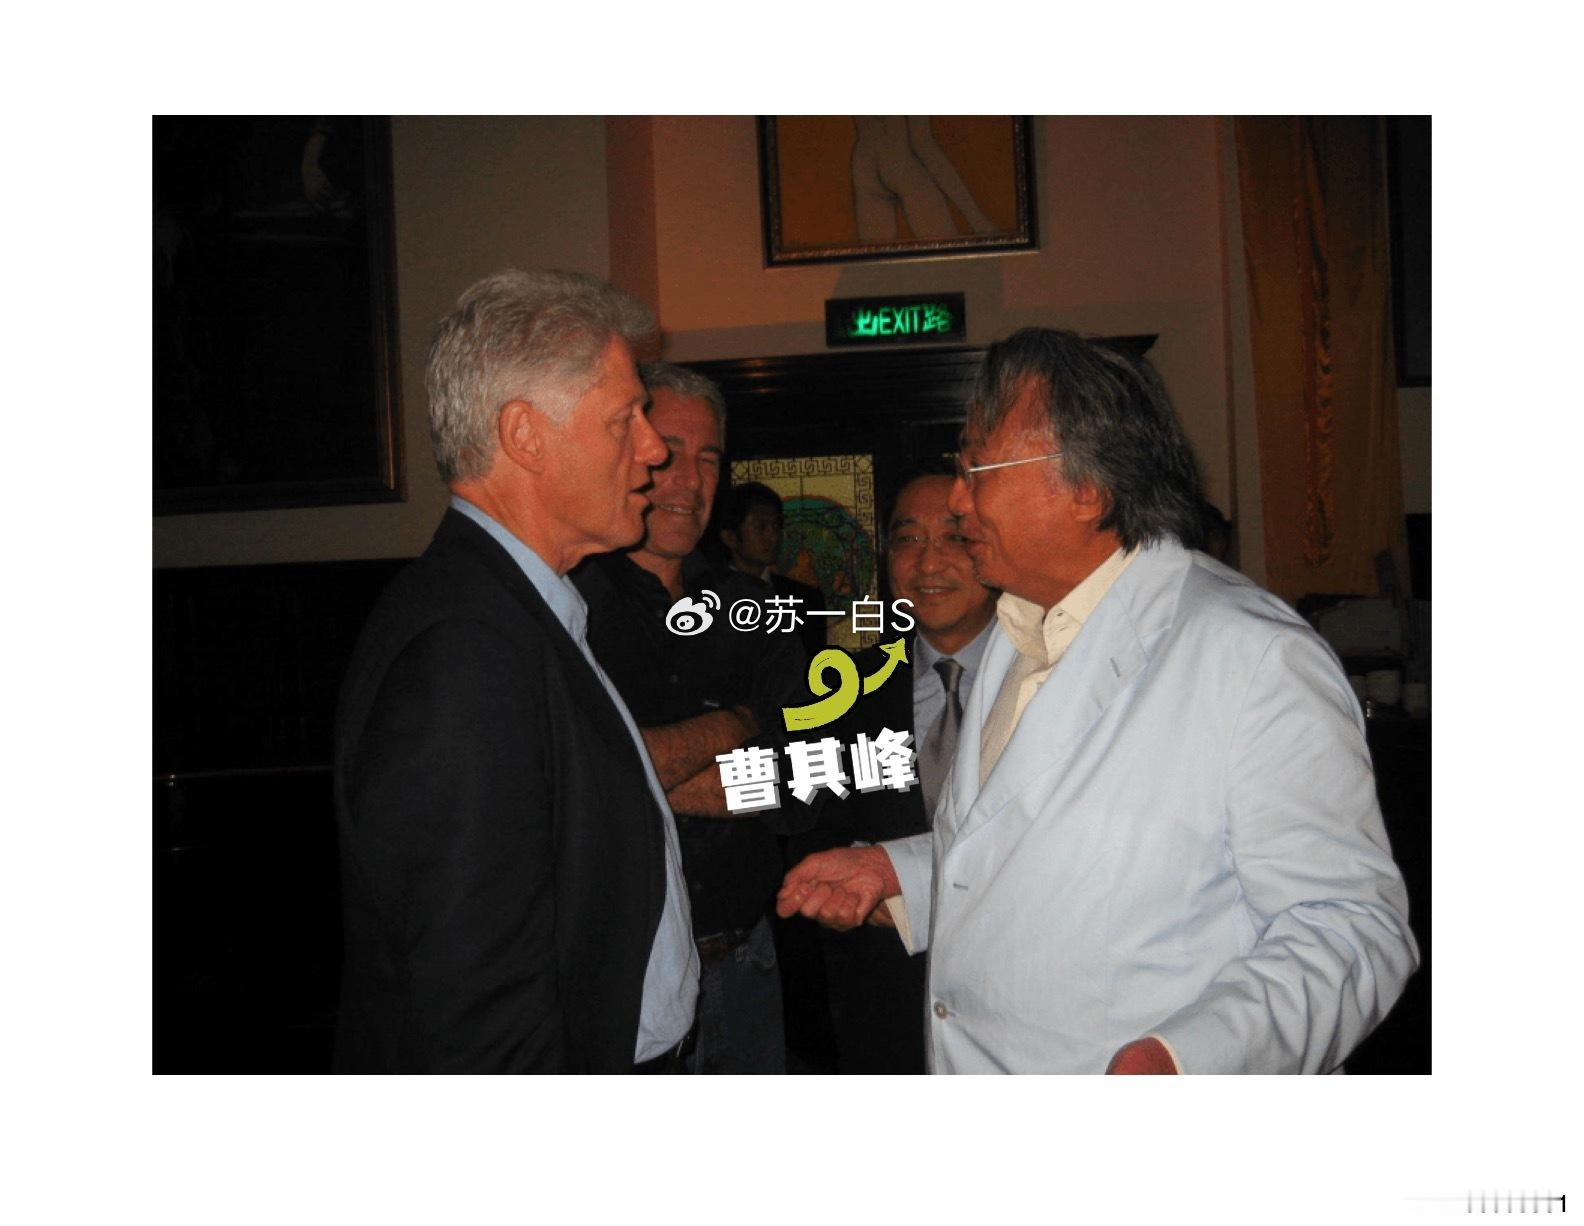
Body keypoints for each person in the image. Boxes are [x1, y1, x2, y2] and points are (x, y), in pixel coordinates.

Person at [778, 327, 1418, 1074]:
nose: (957, 497)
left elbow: (1349, 926)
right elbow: (1047, 850)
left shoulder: (1250, 656)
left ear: (1087, 490)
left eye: (977, 467)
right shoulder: (1022, 630)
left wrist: (1187, 1059)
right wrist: (901, 874)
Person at [333, 269, 697, 1073]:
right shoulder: (466, 651)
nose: (654, 448)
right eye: (624, 419)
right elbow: (476, 1011)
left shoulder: (517, 610)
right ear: (526, 435)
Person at [573, 364, 809, 1073]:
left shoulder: (758, 609)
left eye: (708, 459)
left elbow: (801, 784)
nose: (690, 480)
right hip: (616, 975)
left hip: (746, 960)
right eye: (669, 452)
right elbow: (557, 783)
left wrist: (633, 771)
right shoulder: (569, 604)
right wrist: (735, 725)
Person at [796, 468, 998, 1073]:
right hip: (884, 1015)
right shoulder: (841, 690)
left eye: (954, 536)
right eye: (908, 539)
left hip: (1021, 1006)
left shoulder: (1051, 680)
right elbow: (810, 827)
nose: (928, 562)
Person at [716, 481, 827, 660]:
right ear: (730, 537)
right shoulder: (707, 600)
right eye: (761, 527)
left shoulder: (805, 600)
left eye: (776, 526)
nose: (773, 536)